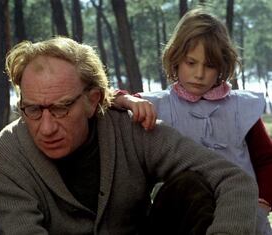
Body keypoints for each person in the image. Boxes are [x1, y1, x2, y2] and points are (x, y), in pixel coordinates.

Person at [0, 36, 258, 234]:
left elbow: (232, 178)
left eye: (61, 108)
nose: (46, 127)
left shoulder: (129, 128)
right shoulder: (7, 155)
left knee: (191, 187)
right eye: (32, 109)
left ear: (93, 100)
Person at [114, 7, 272, 234]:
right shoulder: (157, 105)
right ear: (176, 59)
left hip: (243, 217)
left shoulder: (241, 107)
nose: (199, 74)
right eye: (191, 62)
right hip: (181, 219)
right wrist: (127, 100)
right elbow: (105, 97)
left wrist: (262, 203)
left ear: (221, 66)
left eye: (209, 65)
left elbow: (266, 159)